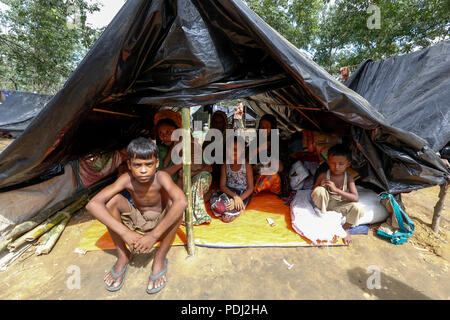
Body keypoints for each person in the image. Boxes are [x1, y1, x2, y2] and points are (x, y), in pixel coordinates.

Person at [86, 137, 188, 294]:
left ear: (157, 164)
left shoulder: (162, 177)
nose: (143, 170)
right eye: (137, 165)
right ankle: (123, 255)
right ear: (129, 165)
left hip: (161, 226)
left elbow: (182, 202)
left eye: (149, 164)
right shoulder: (126, 179)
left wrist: (153, 236)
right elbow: (93, 204)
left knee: (175, 205)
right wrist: (125, 232)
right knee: (112, 201)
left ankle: (160, 257)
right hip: (137, 223)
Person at [154, 110, 212, 225]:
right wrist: (181, 163)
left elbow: (208, 168)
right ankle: (184, 207)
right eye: (161, 133)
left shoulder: (189, 144)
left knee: (202, 177)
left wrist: (190, 173)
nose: (165, 136)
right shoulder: (159, 149)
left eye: (168, 132)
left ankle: (196, 212)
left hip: (192, 180)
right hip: (172, 187)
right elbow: (160, 175)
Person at [310, 144, 364, 245]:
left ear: (348, 164)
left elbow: (355, 198)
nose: (336, 167)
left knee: (358, 208)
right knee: (319, 191)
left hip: (339, 205)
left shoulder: (348, 178)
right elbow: (312, 191)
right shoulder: (323, 175)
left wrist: (336, 190)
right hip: (324, 205)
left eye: (341, 164)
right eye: (333, 163)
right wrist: (320, 186)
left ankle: (345, 229)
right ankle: (323, 218)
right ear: (328, 162)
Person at [210, 138, 254, 222]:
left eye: (237, 149)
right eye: (232, 149)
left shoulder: (247, 165)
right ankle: (222, 207)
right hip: (228, 192)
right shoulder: (225, 165)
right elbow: (222, 186)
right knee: (218, 207)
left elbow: (250, 188)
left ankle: (225, 212)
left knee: (227, 217)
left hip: (242, 194)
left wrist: (238, 199)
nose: (234, 151)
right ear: (227, 150)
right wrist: (233, 197)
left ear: (243, 151)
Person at [251, 114, 283, 195]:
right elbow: (245, 160)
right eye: (261, 126)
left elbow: (280, 168)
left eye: (267, 126)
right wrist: (260, 149)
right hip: (255, 177)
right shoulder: (255, 141)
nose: (263, 129)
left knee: (273, 175)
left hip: (271, 182)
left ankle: (254, 191)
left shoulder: (278, 142)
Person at [202, 110, 228, 202]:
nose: (217, 125)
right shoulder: (210, 136)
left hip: (226, 170)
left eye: (220, 122)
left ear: (224, 123)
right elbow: (204, 153)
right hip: (212, 169)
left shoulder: (230, 136)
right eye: (215, 122)